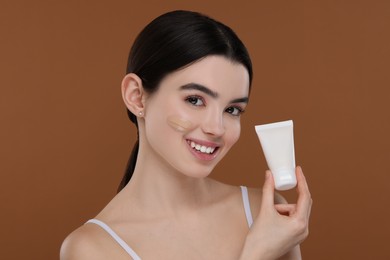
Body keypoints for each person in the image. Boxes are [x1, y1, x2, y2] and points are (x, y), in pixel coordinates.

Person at [60, 10, 312, 260]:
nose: (217, 128)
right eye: (194, 100)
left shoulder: (265, 214)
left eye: (232, 110)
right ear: (136, 96)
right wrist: (257, 253)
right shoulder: (92, 248)